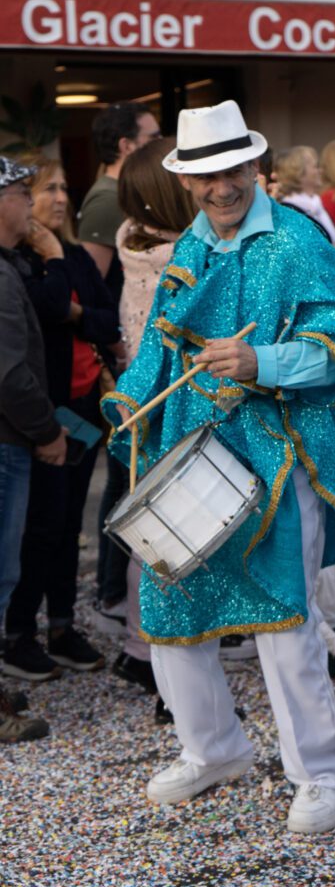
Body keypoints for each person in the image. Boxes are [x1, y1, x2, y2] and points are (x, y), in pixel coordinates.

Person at [101, 100, 335, 832]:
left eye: (233, 170)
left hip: (278, 453)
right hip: (193, 451)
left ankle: (322, 773)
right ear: (186, 180)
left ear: (254, 165)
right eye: (207, 175)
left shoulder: (297, 240)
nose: (222, 187)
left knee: (283, 620)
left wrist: (262, 360)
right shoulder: (189, 245)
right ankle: (212, 747)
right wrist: (128, 401)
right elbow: (160, 346)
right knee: (169, 605)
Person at [3, 157, 119, 681]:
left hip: (83, 412)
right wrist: (53, 267)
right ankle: (20, 632)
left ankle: (63, 624)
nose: (55, 198)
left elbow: (105, 317)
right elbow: (49, 308)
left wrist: (73, 304)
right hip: (42, 417)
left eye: (60, 188)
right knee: (38, 530)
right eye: (43, 189)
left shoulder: (70, 254)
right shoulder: (25, 261)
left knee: (69, 525)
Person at [110, 136, 195, 693]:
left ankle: (146, 653)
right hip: (171, 410)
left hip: (140, 414)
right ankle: (160, 662)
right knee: (170, 543)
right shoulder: (180, 261)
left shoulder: (131, 246)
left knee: (152, 534)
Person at [78, 102, 161, 633]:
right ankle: (115, 597)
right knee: (125, 485)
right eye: (152, 136)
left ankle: (120, 600)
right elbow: (91, 282)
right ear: (128, 147)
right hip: (124, 364)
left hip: (126, 361)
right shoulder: (112, 203)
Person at [0, 156, 67, 740]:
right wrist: (47, 431)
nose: (30, 204)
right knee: (0, 574)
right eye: (22, 193)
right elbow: (9, 374)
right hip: (6, 444)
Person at [273, 145, 335, 242]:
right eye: (316, 166)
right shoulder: (289, 212)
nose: (320, 171)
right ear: (298, 173)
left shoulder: (316, 205)